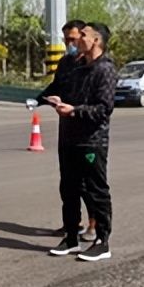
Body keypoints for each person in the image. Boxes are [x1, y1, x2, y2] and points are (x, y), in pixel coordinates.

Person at [45, 22, 117, 262]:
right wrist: (59, 102)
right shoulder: (76, 67)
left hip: (91, 141)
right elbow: (69, 96)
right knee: (69, 188)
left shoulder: (105, 69)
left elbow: (104, 108)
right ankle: (71, 236)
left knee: (96, 190)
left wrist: (74, 111)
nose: (77, 40)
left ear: (96, 40)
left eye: (83, 35)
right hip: (68, 138)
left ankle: (102, 241)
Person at [34, 20, 97, 241]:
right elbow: (56, 86)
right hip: (66, 129)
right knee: (68, 182)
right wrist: (38, 99)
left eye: (73, 38)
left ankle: (93, 225)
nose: (70, 43)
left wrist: (76, 110)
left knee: (88, 183)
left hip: (87, 132)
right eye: (66, 39)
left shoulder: (92, 63)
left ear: (83, 36)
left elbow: (100, 103)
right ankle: (72, 223)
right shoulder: (66, 62)